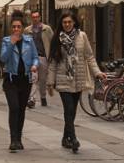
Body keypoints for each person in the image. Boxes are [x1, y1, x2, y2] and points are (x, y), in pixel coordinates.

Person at [46, 10, 101, 153]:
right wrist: (50, 82)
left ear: (74, 22)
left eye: (69, 22)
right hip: (63, 79)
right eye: (64, 22)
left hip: (78, 79)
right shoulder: (57, 39)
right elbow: (52, 62)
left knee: (73, 112)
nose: (67, 24)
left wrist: (97, 72)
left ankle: (65, 138)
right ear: (61, 24)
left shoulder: (82, 36)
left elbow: (89, 56)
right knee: (68, 109)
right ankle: (74, 139)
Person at [0, 10, 39, 152]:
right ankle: (12, 139)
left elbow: (35, 56)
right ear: (11, 28)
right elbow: (3, 58)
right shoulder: (6, 41)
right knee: (14, 108)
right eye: (14, 27)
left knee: (21, 110)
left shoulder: (29, 41)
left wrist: (35, 65)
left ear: (22, 28)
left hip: (25, 80)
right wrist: (11, 43)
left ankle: (19, 139)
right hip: (11, 80)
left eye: (18, 27)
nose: (16, 29)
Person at [25, 10, 54, 107]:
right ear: (31, 18)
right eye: (33, 17)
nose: (35, 19)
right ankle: (32, 99)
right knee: (33, 78)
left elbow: (53, 42)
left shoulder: (47, 29)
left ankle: (43, 97)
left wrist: (52, 55)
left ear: (40, 17)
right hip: (32, 58)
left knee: (42, 79)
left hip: (43, 57)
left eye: (37, 17)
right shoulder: (27, 30)